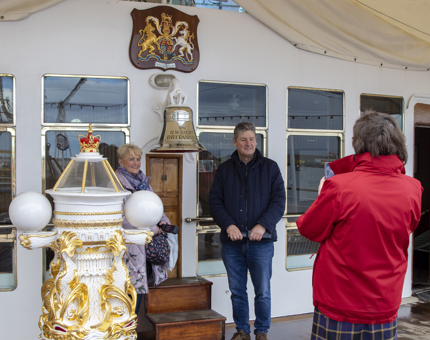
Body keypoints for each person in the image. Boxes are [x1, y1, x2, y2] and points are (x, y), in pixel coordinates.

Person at [296, 111, 423, 340]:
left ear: (359, 143)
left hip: (340, 302)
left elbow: (309, 229)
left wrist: (321, 194)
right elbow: (408, 227)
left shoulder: (339, 186)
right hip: (385, 300)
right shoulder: (413, 188)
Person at [209, 122, 286, 340]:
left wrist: (263, 225)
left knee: (262, 292)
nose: (248, 143)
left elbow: (279, 201)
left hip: (261, 243)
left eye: (252, 139)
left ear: (256, 141)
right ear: (235, 142)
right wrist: (229, 225)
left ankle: (262, 331)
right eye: (243, 139)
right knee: (237, 291)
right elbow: (215, 202)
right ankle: (242, 330)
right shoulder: (224, 170)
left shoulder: (271, 168)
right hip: (232, 244)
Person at [115, 143, 170, 317]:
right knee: (128, 292)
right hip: (129, 247)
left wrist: (163, 222)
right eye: (131, 159)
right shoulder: (115, 184)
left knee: (139, 291)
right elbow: (120, 219)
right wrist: (153, 228)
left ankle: (132, 330)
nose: (136, 162)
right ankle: (126, 331)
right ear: (121, 162)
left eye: (138, 159)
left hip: (145, 247)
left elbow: (154, 206)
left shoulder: (143, 182)